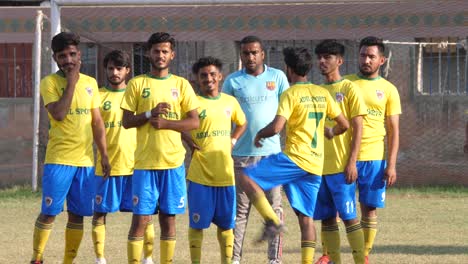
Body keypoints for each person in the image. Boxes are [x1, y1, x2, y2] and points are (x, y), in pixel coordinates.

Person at [237, 47, 349, 263]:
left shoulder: (291, 93)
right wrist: (330, 132)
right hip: (315, 164)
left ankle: (272, 221)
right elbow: (343, 125)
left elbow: (277, 127)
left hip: (295, 159)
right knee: (306, 219)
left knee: (245, 177)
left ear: (288, 68)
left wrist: (260, 133)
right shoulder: (322, 93)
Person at [31, 31, 111, 264]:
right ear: (56, 58)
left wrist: (103, 154)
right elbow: (59, 113)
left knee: (78, 216)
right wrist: (72, 82)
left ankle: (68, 261)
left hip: (85, 162)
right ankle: (36, 258)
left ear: (79, 55)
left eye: (72, 54)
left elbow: (97, 121)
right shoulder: (49, 83)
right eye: (63, 55)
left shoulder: (91, 83)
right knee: (49, 213)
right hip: (59, 160)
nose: (68, 60)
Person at [120, 32, 199, 264]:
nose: (160, 55)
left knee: (169, 219)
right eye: (156, 51)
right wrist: (148, 114)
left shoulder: (181, 84)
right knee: (141, 220)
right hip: (145, 163)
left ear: (172, 54)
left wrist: (167, 124)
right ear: (148, 53)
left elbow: (194, 121)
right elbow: (126, 122)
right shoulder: (137, 83)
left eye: (165, 51)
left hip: (173, 163)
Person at [222, 35, 289, 264]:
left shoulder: (278, 77)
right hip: (242, 154)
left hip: (271, 155)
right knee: (241, 211)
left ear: (263, 54)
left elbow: (286, 112)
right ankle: (235, 259)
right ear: (241, 55)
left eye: (254, 52)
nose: (250, 57)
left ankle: (274, 259)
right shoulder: (232, 81)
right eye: (245, 53)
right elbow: (224, 115)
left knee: (274, 207)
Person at [92, 50, 154, 264]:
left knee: (145, 213)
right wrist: (102, 154)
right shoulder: (98, 96)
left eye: (119, 68)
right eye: (111, 68)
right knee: (99, 213)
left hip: (136, 165)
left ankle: (147, 257)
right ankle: (100, 258)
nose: (115, 72)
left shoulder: (136, 96)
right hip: (107, 165)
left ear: (128, 70)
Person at [183, 56, 247, 264]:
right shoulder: (192, 104)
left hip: (225, 176)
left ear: (220, 76)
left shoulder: (230, 101)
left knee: (227, 226)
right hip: (200, 175)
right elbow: (179, 125)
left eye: (212, 74)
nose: (208, 79)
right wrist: (190, 142)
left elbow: (242, 122)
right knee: (197, 226)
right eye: (203, 75)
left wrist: (234, 140)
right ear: (197, 79)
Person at [345, 36, 401, 263]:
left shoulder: (388, 90)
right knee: (338, 210)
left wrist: (392, 164)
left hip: (374, 159)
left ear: (382, 60)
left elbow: (394, 131)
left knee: (369, 209)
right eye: (362, 55)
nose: (366, 60)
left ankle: (364, 255)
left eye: (371, 56)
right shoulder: (346, 84)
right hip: (344, 157)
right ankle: (329, 254)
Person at [313, 40, 367, 264]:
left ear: (340, 61)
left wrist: (352, 161)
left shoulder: (348, 88)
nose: (322, 61)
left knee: (349, 217)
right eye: (320, 57)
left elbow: (358, 127)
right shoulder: (316, 91)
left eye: (328, 57)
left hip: (340, 167)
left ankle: (361, 261)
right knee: (326, 219)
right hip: (317, 167)